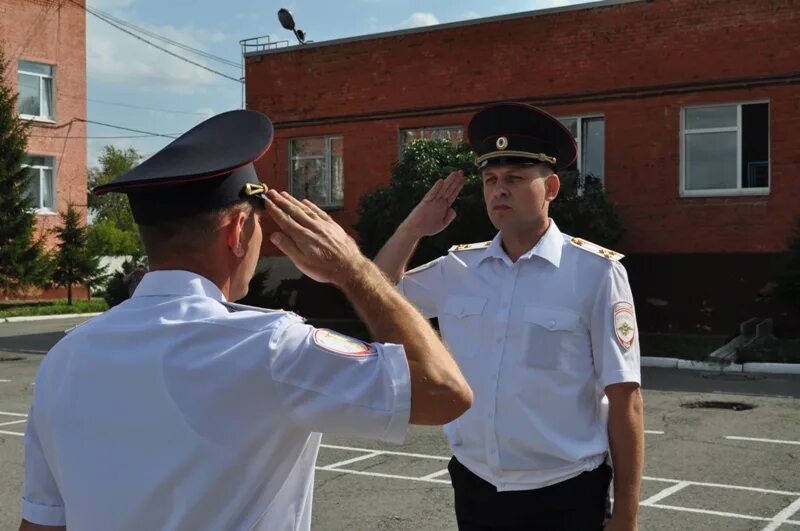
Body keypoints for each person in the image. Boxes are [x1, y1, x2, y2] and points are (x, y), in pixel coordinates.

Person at [19, 110, 472, 531]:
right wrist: (353, 270)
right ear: (237, 234)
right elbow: (445, 392)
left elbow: (41, 522)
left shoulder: (66, 357)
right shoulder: (271, 348)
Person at [375, 102, 644, 530]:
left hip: (565, 494)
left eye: (515, 178)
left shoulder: (595, 274)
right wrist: (412, 229)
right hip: (476, 487)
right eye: (491, 179)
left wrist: (627, 513)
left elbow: (626, 398)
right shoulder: (458, 270)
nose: (499, 189)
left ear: (551, 187)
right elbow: (376, 294)